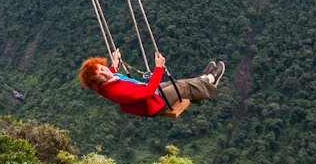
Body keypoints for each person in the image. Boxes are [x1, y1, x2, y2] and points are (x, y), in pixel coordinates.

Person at [79, 48, 225, 117]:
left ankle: (204, 79)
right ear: (98, 82)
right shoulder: (116, 91)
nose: (106, 72)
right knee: (182, 87)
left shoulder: (104, 83)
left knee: (177, 83)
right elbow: (147, 92)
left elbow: (111, 73)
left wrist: (115, 62)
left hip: (150, 94)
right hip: (152, 102)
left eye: (102, 68)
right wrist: (159, 67)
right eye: (101, 75)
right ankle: (211, 81)